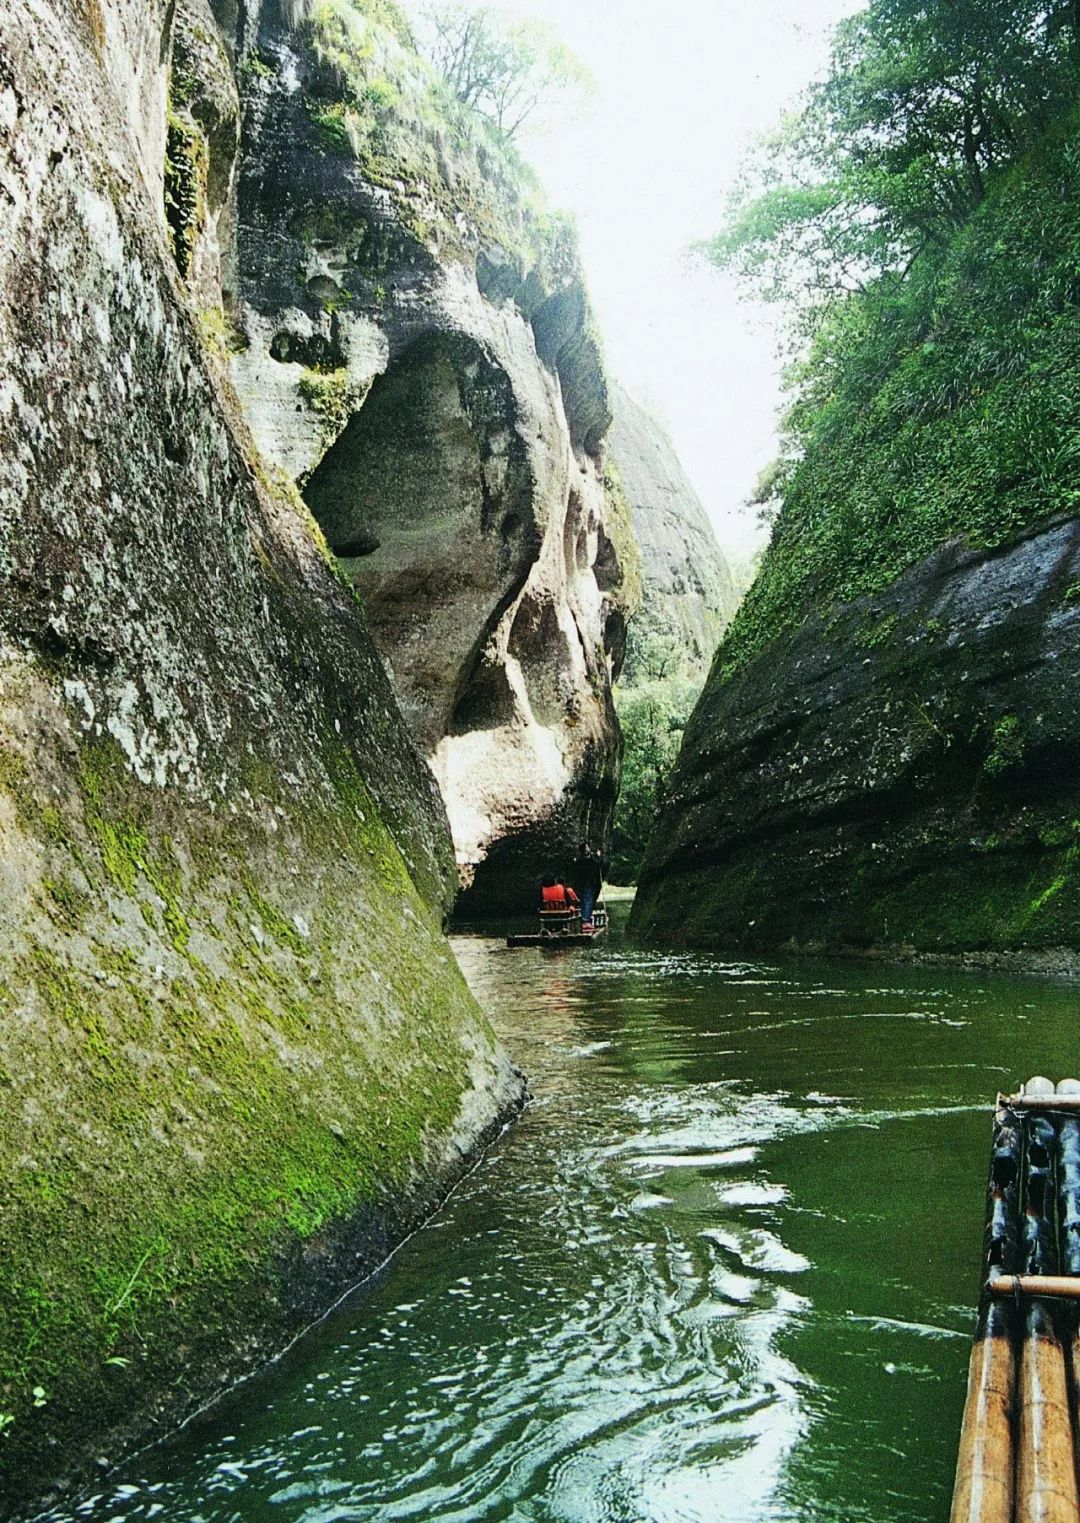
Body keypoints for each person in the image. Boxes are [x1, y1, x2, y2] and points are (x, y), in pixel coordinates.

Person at [571, 843, 604, 927]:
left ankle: (585, 919)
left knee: (586, 901)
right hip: (588, 884)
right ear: (585, 850)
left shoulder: (579, 860)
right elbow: (597, 865)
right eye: (587, 847)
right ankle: (586, 921)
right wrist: (598, 856)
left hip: (582, 884)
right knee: (587, 900)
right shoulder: (587, 860)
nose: (589, 848)